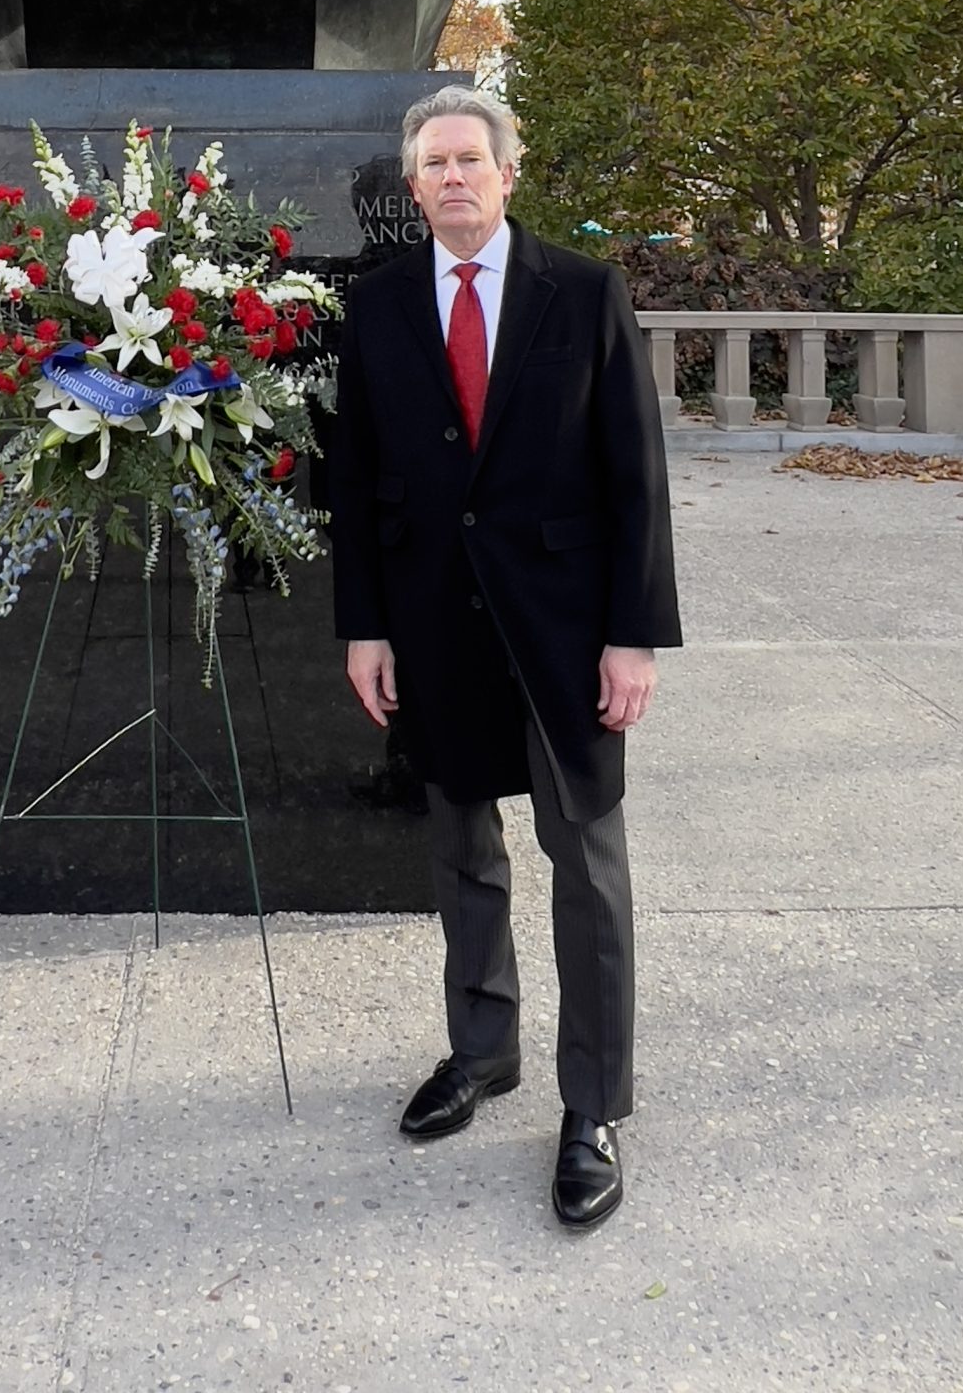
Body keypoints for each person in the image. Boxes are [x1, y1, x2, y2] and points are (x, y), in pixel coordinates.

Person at [328, 84, 680, 1228]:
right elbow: (359, 480)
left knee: (587, 868)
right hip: (433, 623)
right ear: (413, 183)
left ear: (509, 171)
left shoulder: (583, 293)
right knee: (461, 850)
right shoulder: (377, 305)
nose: (455, 178)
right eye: (434, 164)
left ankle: (593, 1104)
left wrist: (634, 635)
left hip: (569, 632)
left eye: (472, 158)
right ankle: (483, 1051)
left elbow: (638, 478)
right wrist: (364, 624)